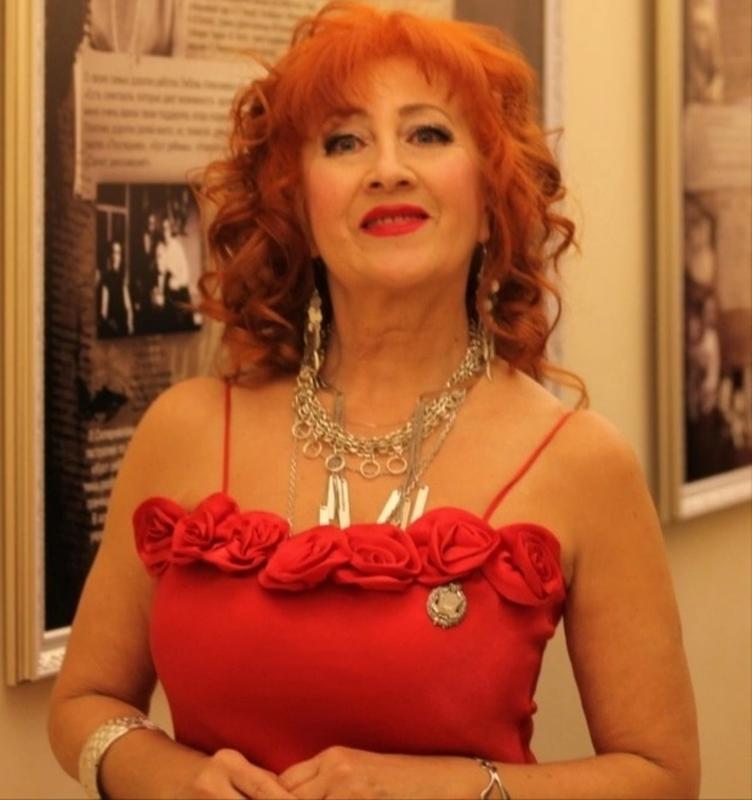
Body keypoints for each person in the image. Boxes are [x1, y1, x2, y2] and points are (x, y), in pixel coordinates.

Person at [49, 3, 700, 798]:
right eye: (344, 142)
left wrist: (451, 789)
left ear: (492, 200)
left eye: (427, 133)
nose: (387, 168)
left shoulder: (580, 460)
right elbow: (83, 703)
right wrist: (172, 779)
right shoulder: (184, 428)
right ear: (299, 206)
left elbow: (662, 776)